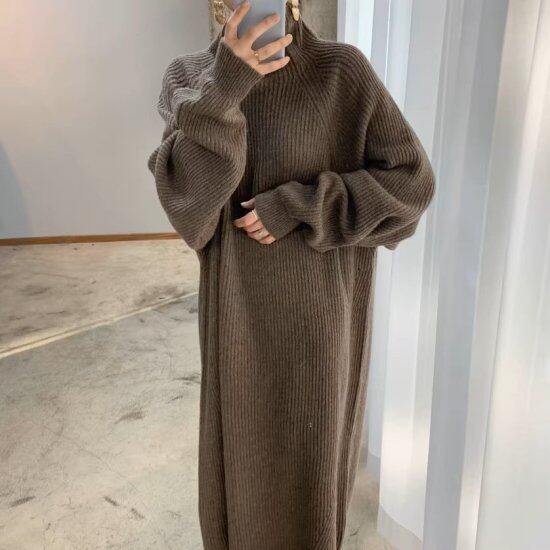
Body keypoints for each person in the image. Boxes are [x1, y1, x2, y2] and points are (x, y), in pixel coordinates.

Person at [148, 1, 436, 548]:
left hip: (322, 319)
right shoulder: (190, 79)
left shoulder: (341, 72)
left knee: (313, 473)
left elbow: (411, 185)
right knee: (240, 474)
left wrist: (302, 205)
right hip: (238, 320)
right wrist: (227, 87)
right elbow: (190, 210)